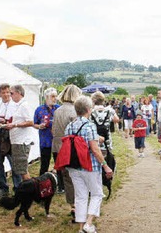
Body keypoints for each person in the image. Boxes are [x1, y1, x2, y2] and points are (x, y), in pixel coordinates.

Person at [65, 96, 114, 233]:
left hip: (73, 166)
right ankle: (88, 223)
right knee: (97, 194)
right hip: (90, 165)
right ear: (88, 109)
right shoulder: (89, 126)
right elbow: (94, 149)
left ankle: (81, 228)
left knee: (80, 196)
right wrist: (105, 165)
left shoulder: (69, 126)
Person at [52, 85, 82, 215]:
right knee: (76, 176)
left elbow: (53, 130)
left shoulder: (57, 110)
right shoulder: (75, 111)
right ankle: (78, 204)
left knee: (66, 178)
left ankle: (73, 205)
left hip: (58, 146)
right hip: (71, 147)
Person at [5, 85, 35, 190]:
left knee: (22, 170)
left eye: (11, 93)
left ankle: (30, 191)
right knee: (20, 168)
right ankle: (28, 190)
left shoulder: (24, 106)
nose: (10, 95)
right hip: (18, 141)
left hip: (21, 142)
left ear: (19, 93)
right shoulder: (19, 105)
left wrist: (15, 125)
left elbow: (31, 122)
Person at [34, 88, 60, 176]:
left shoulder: (58, 108)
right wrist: (39, 126)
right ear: (46, 97)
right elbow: (34, 124)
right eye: (53, 96)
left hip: (57, 140)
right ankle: (42, 183)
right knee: (44, 164)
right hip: (45, 140)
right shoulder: (39, 109)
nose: (55, 98)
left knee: (59, 163)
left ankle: (61, 186)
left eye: (56, 96)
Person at [89, 91, 120, 162]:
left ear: (93, 101)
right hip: (107, 141)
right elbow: (116, 119)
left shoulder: (90, 111)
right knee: (107, 160)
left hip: (94, 141)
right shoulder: (109, 110)